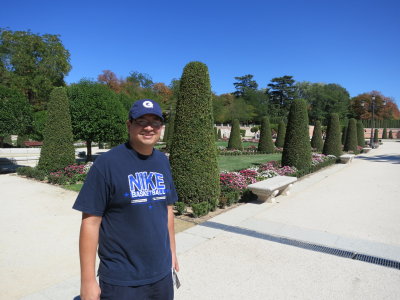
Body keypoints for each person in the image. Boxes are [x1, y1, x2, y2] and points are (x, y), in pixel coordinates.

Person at [73, 99, 179, 300]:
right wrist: (87, 281)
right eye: (141, 121)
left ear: (161, 128)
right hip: (121, 280)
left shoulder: (162, 161)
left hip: (161, 274)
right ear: (129, 125)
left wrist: (172, 252)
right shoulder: (106, 164)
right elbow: (90, 223)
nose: (149, 127)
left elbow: (167, 210)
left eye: (155, 122)